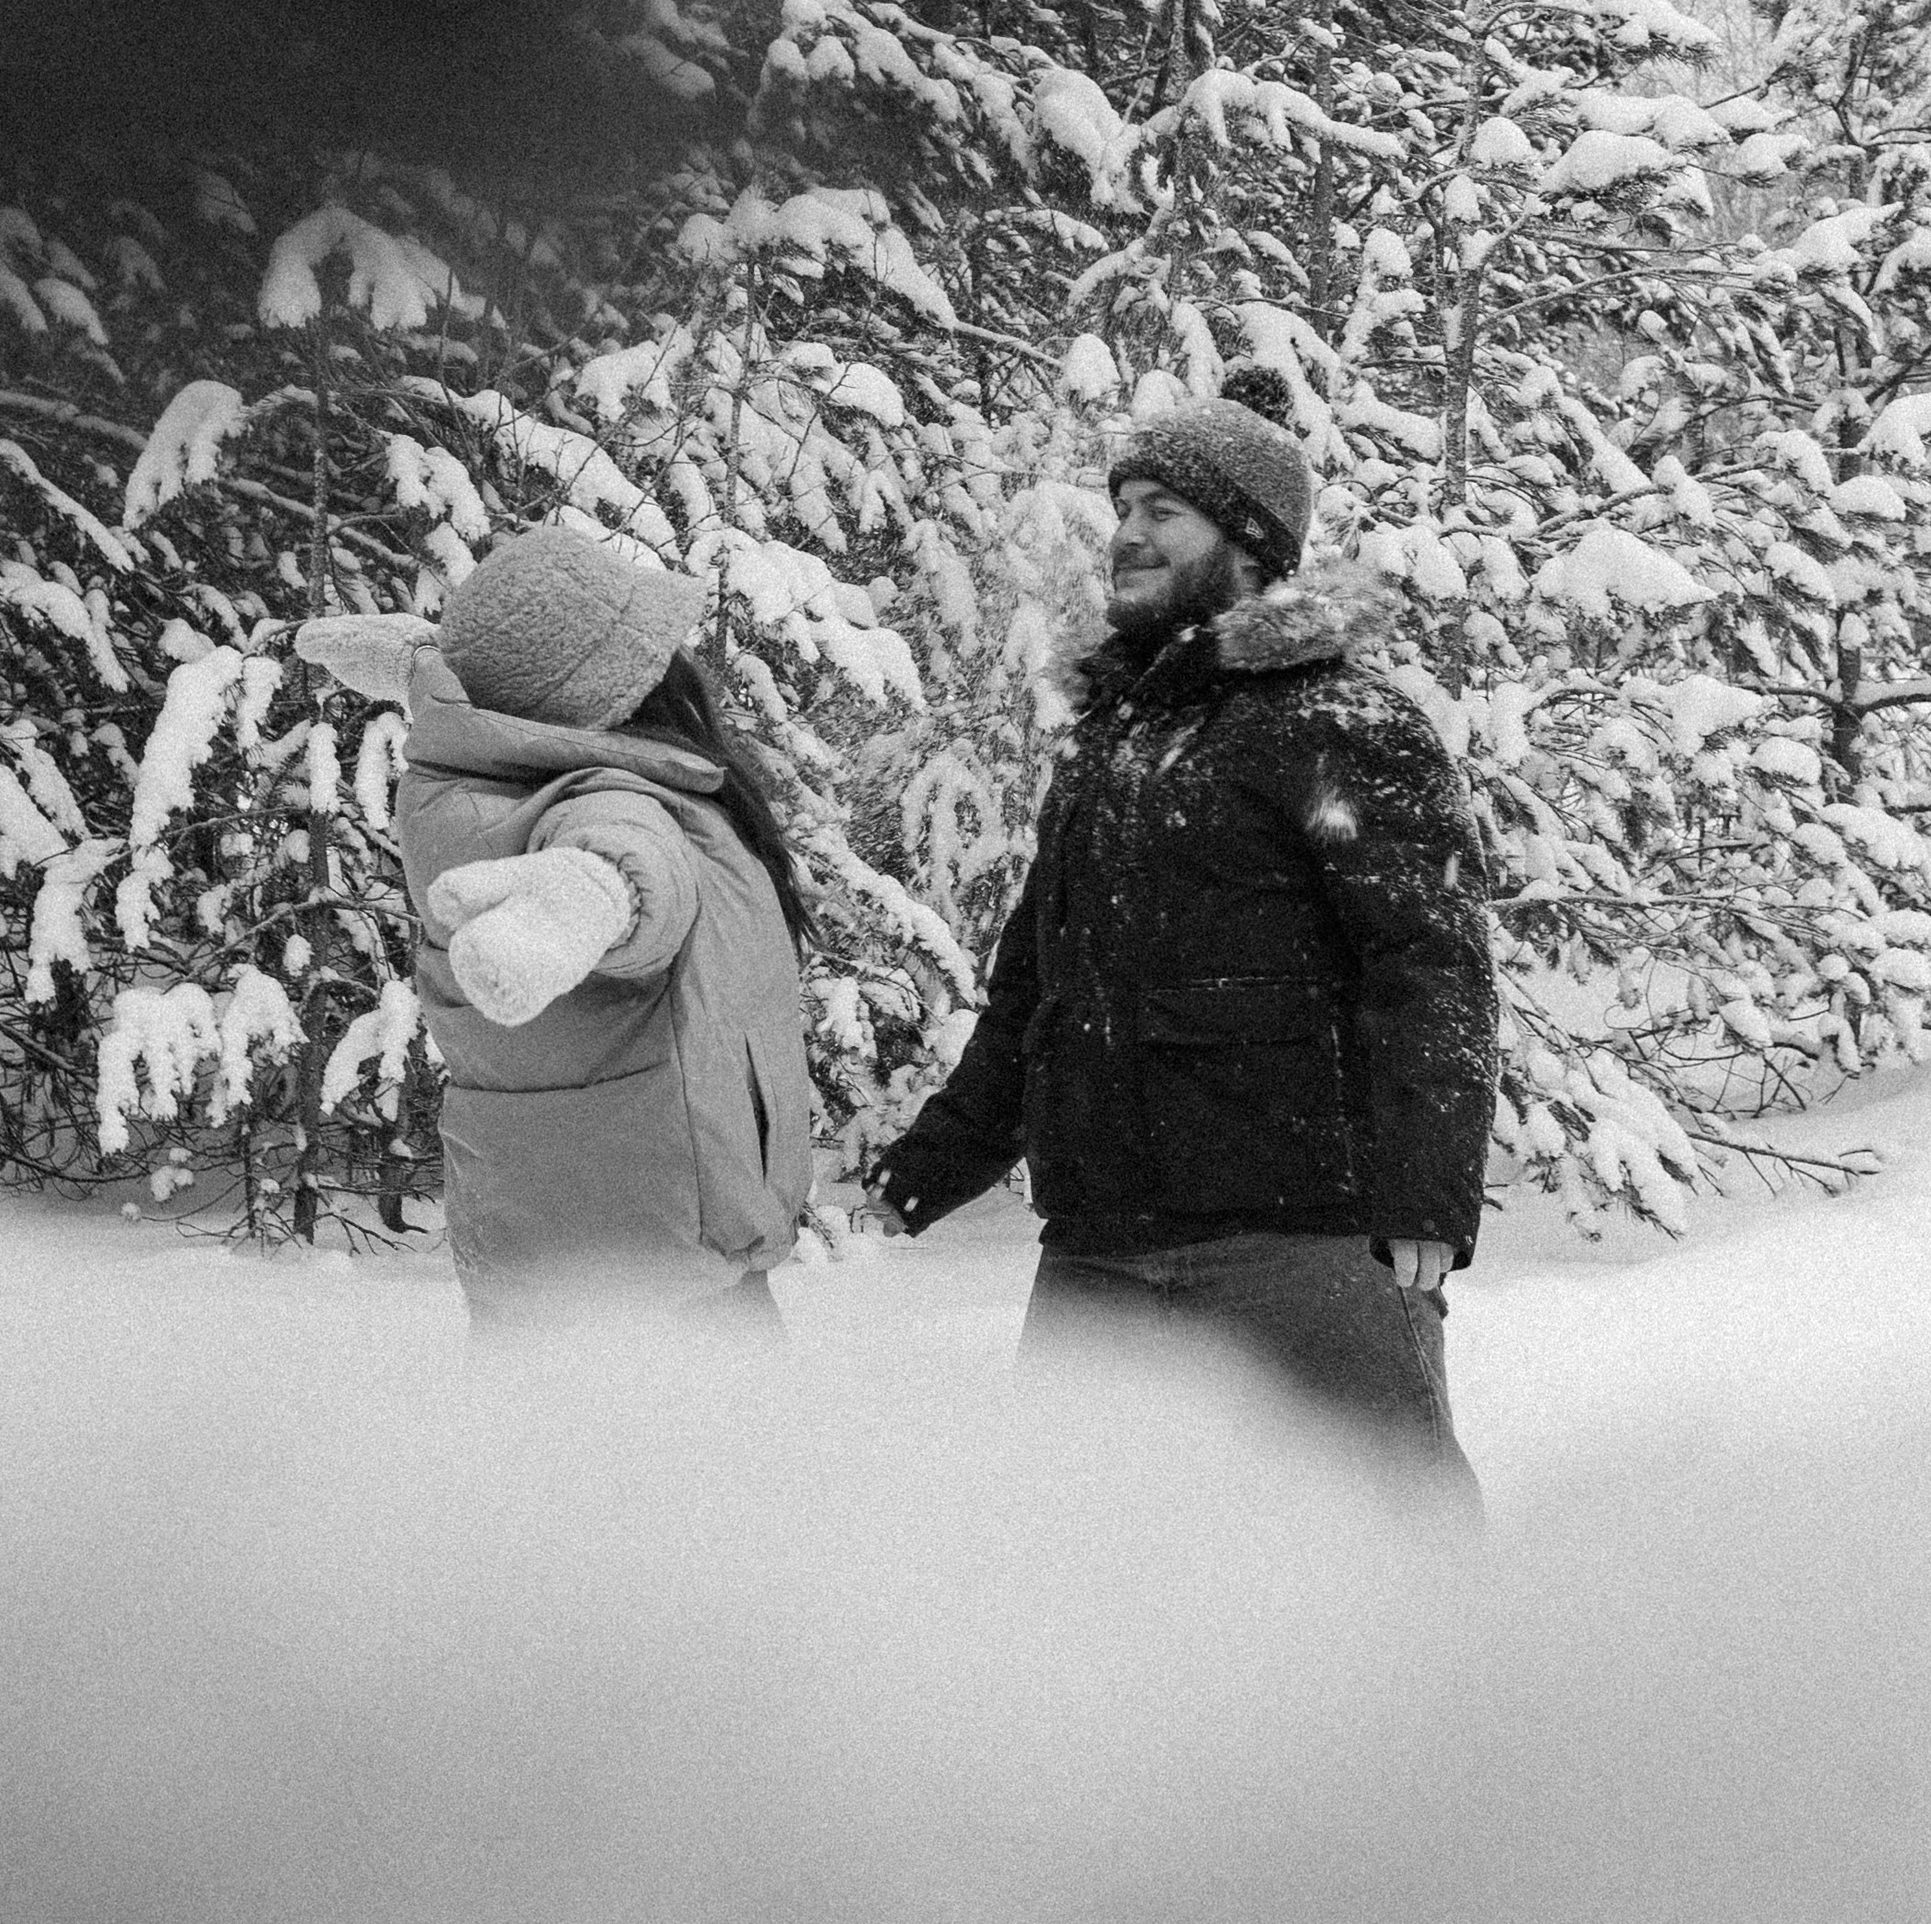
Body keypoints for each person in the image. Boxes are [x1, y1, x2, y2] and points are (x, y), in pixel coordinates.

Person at [866, 368, 1498, 1484]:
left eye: (1163, 513)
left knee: (1384, 1558)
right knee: (1075, 1578)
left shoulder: (1337, 724)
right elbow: (1036, 994)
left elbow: (1428, 969)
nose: (1126, 535)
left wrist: (1424, 1200)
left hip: (1301, 1244)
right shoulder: (1108, 748)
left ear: (1248, 545)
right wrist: (922, 1173)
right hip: (1098, 1251)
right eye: (1123, 510)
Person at [297, 524, 814, 1328]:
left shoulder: (488, 779)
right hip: (666, 1295)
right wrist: (580, 900)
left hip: (547, 1270)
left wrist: (420, 664)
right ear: (619, 693)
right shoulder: (606, 804)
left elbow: (499, 689)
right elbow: (628, 866)